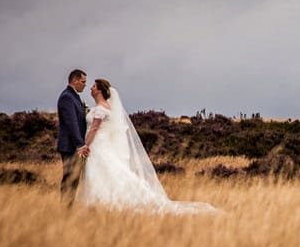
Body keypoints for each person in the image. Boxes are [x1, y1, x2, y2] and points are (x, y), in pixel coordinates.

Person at [75, 78, 217, 215]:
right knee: (106, 171)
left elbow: (94, 129)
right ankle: (101, 203)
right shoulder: (105, 107)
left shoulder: (100, 109)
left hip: (97, 144)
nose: (91, 88)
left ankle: (103, 203)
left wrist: (84, 145)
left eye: (94, 86)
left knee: (103, 171)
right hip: (101, 143)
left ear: (99, 91)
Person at [56, 69, 89, 207]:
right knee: (70, 178)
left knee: (73, 179)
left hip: (73, 146)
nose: (85, 85)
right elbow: (72, 123)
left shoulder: (74, 96)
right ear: (74, 80)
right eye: (83, 82)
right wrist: (80, 145)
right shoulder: (67, 97)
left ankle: (68, 207)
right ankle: (65, 208)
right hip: (70, 146)